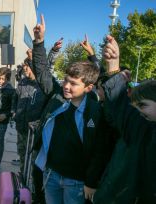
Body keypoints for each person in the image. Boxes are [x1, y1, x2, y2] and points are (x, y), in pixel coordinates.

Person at [32, 15, 107, 204]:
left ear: (88, 88)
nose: (66, 86)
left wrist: (91, 182)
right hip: (51, 176)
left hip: (77, 183)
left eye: (73, 84)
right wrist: (39, 42)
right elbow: (42, 72)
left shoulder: (95, 111)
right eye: (66, 80)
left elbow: (99, 152)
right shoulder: (57, 97)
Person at [93, 36, 156, 203]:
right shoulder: (140, 127)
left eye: (142, 105)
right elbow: (119, 108)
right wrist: (113, 67)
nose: (137, 111)